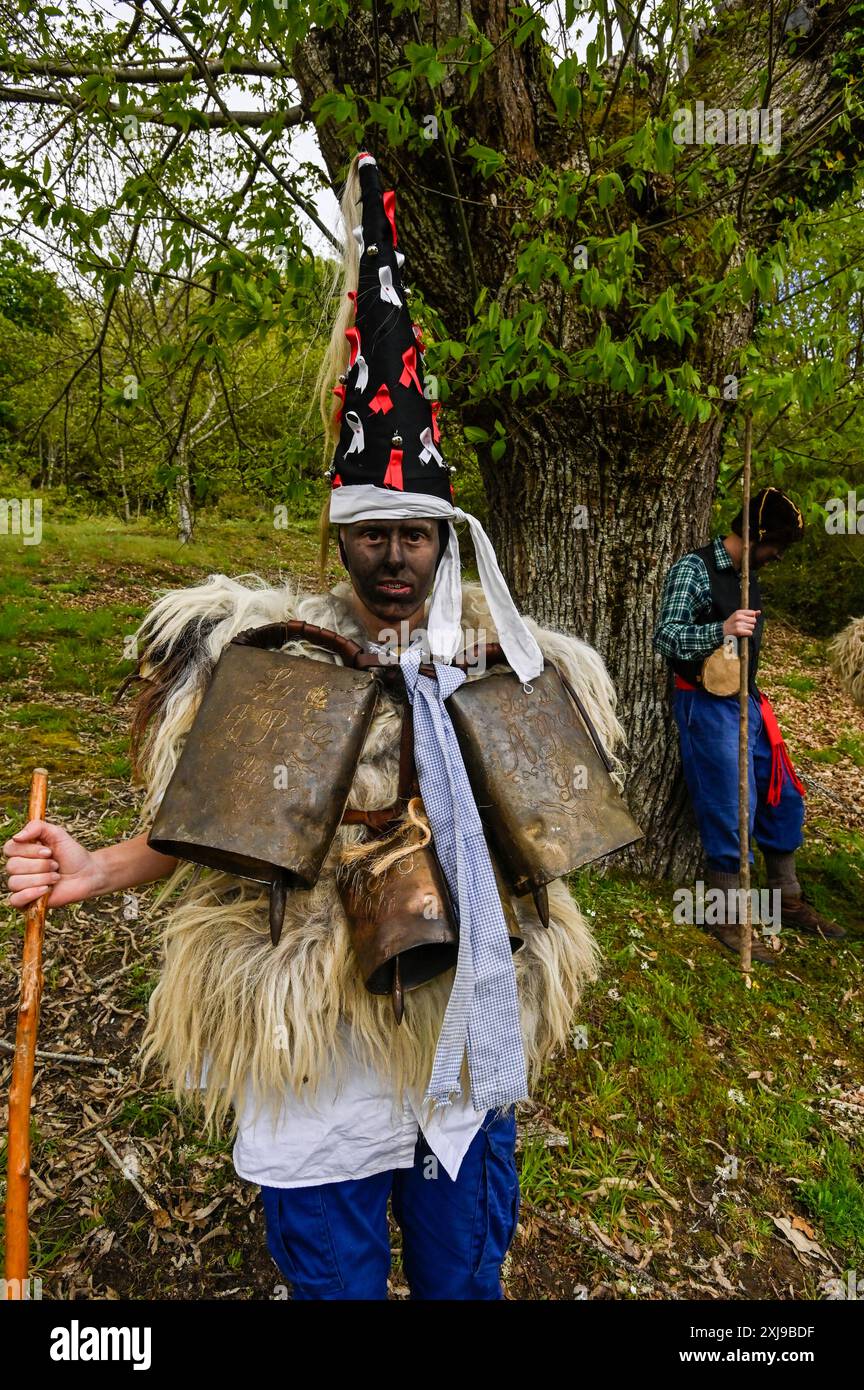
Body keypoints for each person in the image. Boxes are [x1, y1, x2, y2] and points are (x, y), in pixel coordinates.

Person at [3, 150, 628, 1299]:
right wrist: (91, 869)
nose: (394, 556)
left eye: (416, 533)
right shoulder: (284, 666)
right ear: (338, 536)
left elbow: (557, 834)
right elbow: (221, 824)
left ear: (446, 535)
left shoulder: (506, 664)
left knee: (459, 1280)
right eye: (370, 533)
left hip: (456, 1049)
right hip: (321, 1071)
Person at [653, 487, 845, 958]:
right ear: (756, 535)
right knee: (732, 804)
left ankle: (786, 898)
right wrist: (719, 629)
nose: (778, 555)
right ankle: (727, 915)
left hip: (747, 702)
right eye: (776, 544)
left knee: (782, 796)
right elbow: (666, 637)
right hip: (705, 702)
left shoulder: (748, 573)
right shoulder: (694, 570)